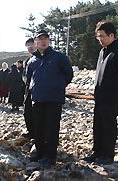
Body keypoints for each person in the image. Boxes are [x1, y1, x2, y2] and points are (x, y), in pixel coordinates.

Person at [83, 21, 118, 164]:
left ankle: (107, 154)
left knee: (108, 125)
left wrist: (117, 91)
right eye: (98, 36)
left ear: (111, 35)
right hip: (99, 97)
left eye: (102, 36)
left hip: (111, 97)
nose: (100, 39)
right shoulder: (102, 52)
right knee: (98, 125)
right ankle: (97, 152)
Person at [26, 29, 73, 167]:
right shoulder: (32, 60)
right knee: (38, 127)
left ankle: (50, 155)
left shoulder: (59, 57)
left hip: (54, 99)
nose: (43, 41)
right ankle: (39, 151)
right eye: (40, 39)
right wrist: (33, 89)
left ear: (49, 41)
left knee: (51, 128)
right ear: (36, 42)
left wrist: (57, 86)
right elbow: (27, 78)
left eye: (46, 38)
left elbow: (68, 74)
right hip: (37, 98)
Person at [22, 37, 37, 139]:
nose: (30, 47)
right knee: (27, 111)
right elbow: (24, 75)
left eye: (31, 44)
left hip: (39, 90)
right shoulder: (27, 60)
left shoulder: (42, 57)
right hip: (29, 90)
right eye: (28, 45)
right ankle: (31, 131)